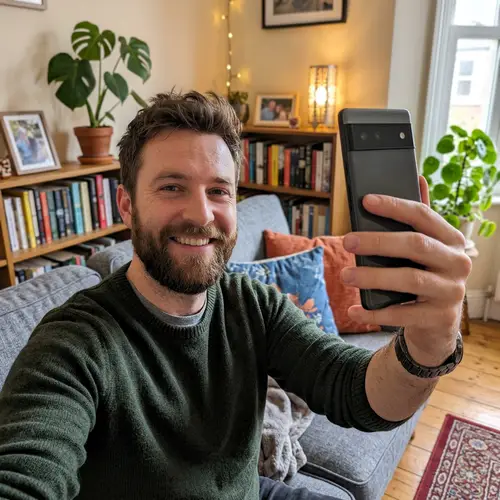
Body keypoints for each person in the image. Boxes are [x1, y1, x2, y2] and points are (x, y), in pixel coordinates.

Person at [0, 91, 471, 500]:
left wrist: (428, 345)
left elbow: (360, 396)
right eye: (171, 187)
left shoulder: (251, 304)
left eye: (218, 191)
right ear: (127, 204)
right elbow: (27, 469)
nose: (201, 213)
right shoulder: (75, 343)